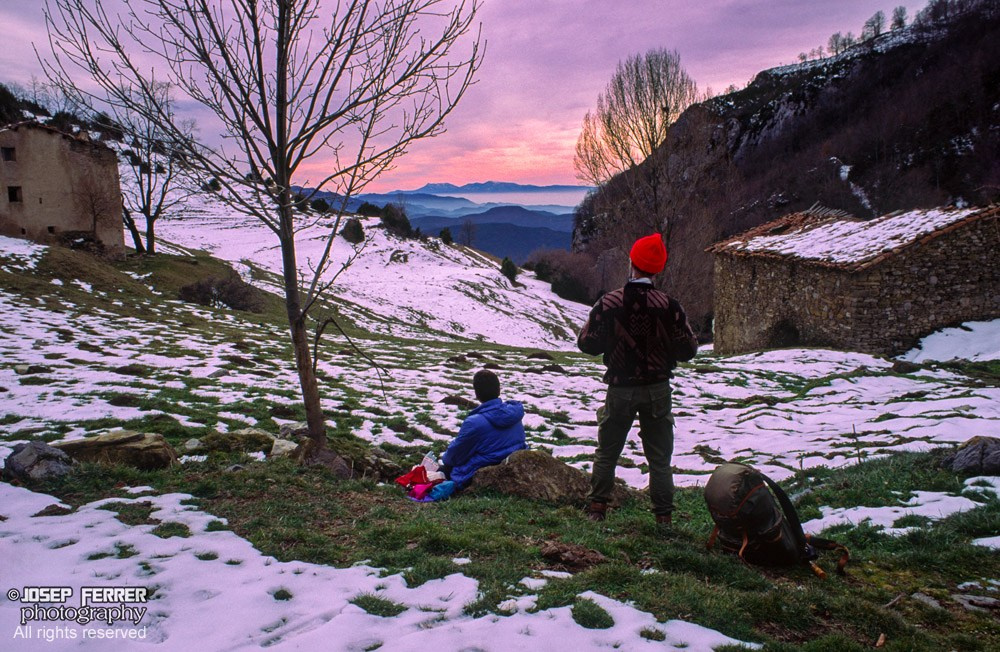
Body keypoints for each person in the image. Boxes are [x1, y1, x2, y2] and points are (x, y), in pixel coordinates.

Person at [577, 233, 699, 525]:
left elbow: (586, 343)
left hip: (620, 388)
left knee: (608, 450)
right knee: (659, 458)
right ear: (657, 269)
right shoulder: (670, 306)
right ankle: (663, 517)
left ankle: (597, 509)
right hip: (657, 389)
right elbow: (689, 350)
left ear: (631, 262)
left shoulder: (610, 302)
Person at [440, 369, 527, 489]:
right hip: (512, 462)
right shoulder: (513, 412)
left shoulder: (475, 422)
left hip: (483, 469)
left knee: (443, 470)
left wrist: (445, 460)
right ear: (498, 389)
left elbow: (454, 456)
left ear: (477, 393)